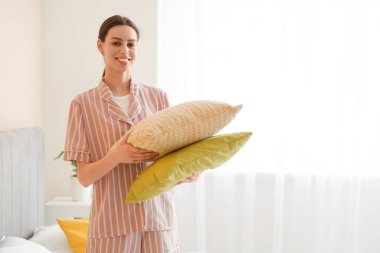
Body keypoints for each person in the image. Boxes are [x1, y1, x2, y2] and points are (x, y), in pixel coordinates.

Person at [64, 15, 200, 253]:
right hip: (112, 228)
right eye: (116, 43)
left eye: (131, 44)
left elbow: (169, 162)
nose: (124, 50)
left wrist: (186, 172)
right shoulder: (82, 105)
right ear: (100, 46)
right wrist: (115, 156)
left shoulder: (158, 98)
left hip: (157, 224)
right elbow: (84, 178)